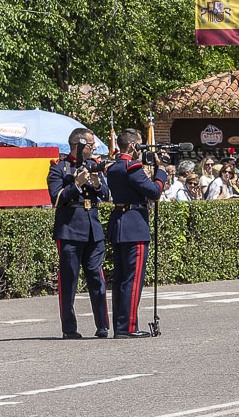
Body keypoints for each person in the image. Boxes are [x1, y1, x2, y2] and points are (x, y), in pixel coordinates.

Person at [47, 129, 109, 339]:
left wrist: (97, 182)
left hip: (93, 228)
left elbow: (106, 195)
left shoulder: (94, 166)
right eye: (91, 145)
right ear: (79, 145)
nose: (94, 149)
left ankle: (103, 324)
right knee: (69, 280)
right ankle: (69, 328)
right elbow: (55, 198)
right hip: (70, 229)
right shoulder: (59, 167)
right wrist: (76, 184)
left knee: (97, 278)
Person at [103, 128, 163, 338]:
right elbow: (154, 192)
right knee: (133, 279)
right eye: (139, 143)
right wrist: (161, 171)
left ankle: (121, 325)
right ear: (132, 145)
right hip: (134, 227)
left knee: (121, 279)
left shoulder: (114, 167)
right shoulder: (132, 167)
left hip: (120, 223)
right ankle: (128, 327)